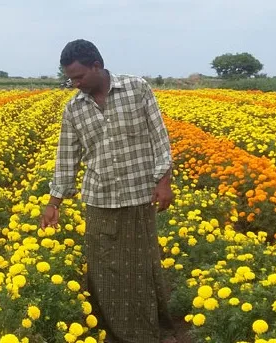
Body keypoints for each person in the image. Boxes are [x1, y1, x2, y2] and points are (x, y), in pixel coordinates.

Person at [41, 39, 176, 343]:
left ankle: (146, 330)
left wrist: (164, 180)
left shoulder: (136, 89)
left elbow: (159, 137)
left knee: (140, 267)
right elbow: (66, 158)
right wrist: (54, 203)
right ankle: (113, 331)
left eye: (79, 77)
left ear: (97, 66)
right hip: (99, 198)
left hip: (139, 194)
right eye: (70, 79)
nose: (74, 84)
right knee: (103, 268)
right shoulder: (74, 109)